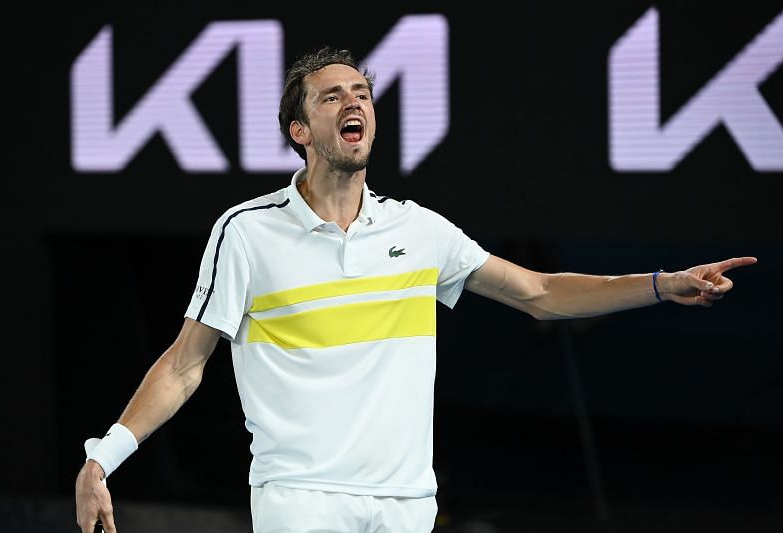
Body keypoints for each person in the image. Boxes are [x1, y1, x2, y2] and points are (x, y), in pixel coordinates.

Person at [74, 46, 757, 533]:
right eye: (332, 95)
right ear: (300, 131)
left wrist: (663, 286)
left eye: (362, 93)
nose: (354, 101)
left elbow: (540, 292)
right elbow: (187, 363)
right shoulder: (247, 232)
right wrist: (103, 458)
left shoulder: (418, 230)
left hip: (406, 504)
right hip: (302, 501)